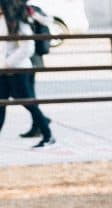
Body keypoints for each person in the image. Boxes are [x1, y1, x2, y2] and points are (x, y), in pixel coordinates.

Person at [0, 0, 54, 147]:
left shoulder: (19, 21)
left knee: (29, 103)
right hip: (5, 71)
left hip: (18, 70)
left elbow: (28, 48)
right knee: (1, 104)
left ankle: (48, 135)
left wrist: (7, 64)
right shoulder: (4, 20)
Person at [18, 1, 50, 138]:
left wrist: (34, 15)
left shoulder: (32, 10)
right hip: (21, 61)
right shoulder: (11, 11)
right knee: (26, 95)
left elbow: (48, 21)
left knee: (27, 95)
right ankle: (39, 122)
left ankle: (40, 122)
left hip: (32, 59)